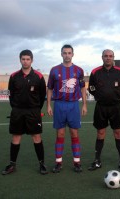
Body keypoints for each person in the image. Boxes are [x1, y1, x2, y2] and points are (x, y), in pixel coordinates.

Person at [2, 49, 48, 175]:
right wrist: (16, 107)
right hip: (17, 111)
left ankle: (42, 164)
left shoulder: (38, 76)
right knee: (16, 137)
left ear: (31, 60)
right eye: (23, 59)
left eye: (28, 59)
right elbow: (10, 94)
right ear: (20, 60)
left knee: (36, 136)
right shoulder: (13, 76)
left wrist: (36, 109)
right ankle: (12, 165)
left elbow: (42, 95)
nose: (25, 61)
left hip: (33, 111)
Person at [87, 49, 120, 172]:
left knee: (118, 132)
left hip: (115, 107)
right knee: (100, 132)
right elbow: (91, 88)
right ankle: (97, 161)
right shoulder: (95, 72)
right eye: (106, 56)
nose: (108, 58)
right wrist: (99, 96)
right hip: (101, 107)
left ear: (113, 58)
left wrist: (117, 97)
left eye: (110, 56)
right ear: (102, 57)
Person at [47, 44, 87, 173]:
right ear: (61, 54)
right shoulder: (54, 70)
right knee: (60, 134)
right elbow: (50, 89)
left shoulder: (79, 70)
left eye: (69, 53)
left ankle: (77, 162)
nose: (67, 55)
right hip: (59, 104)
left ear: (73, 54)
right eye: (65, 53)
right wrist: (48, 105)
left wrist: (84, 104)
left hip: (73, 105)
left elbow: (82, 88)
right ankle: (58, 162)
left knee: (74, 133)